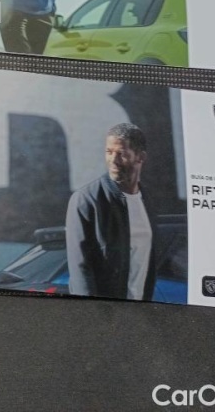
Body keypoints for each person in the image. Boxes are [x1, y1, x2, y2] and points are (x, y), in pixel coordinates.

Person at [65, 123, 158, 300]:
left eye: (121, 154)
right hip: (105, 312)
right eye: (109, 152)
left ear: (140, 157)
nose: (113, 161)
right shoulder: (87, 200)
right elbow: (80, 269)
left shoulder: (146, 199)